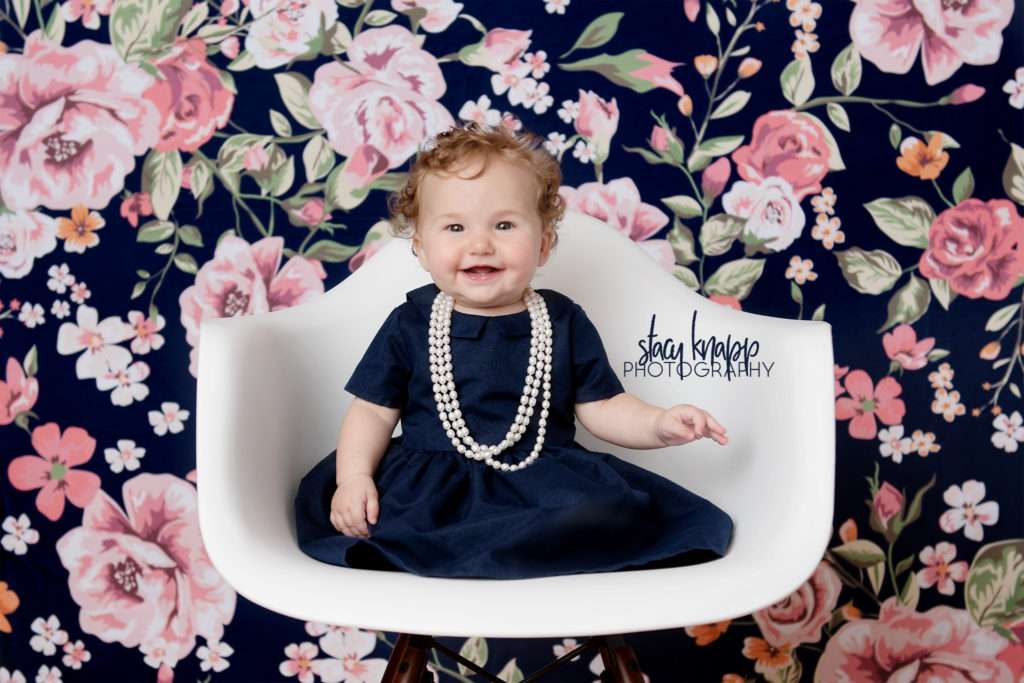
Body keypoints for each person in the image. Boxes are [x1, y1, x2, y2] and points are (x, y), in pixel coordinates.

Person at [293, 121, 734, 579]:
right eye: (455, 227)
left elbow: (603, 406)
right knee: (393, 528)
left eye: (504, 225)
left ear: (542, 244)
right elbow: (372, 411)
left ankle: (537, 553)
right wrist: (354, 478)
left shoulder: (561, 321)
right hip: (432, 492)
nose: (480, 244)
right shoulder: (412, 323)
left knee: (604, 515)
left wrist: (658, 423)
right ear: (421, 249)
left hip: (543, 481)